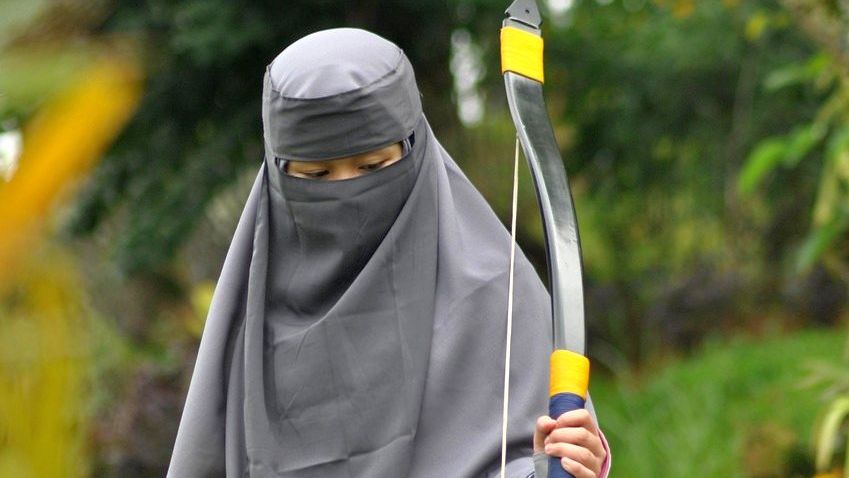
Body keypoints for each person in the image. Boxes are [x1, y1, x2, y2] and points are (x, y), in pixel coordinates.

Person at [168, 28, 609, 478]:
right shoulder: (249, 324)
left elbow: (538, 456)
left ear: (415, 148)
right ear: (278, 174)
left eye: (372, 166)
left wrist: (562, 464)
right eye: (316, 175)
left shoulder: (495, 292)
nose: (347, 191)